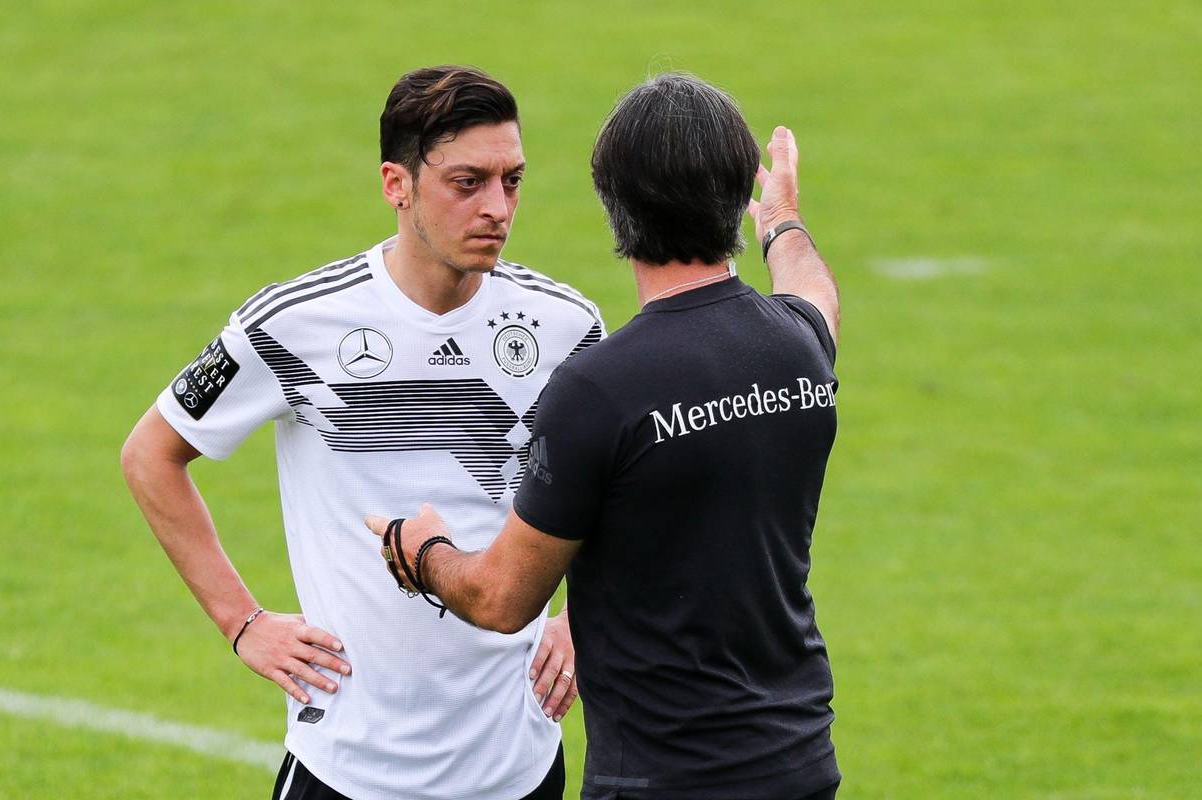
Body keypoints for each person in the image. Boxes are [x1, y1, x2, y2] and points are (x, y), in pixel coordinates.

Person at [121, 65, 605, 800]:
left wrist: (581, 618)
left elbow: (623, 487)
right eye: (467, 182)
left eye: (513, 180)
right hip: (348, 767)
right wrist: (242, 621)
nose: (498, 208)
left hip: (518, 765)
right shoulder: (293, 325)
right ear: (396, 184)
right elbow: (152, 454)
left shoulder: (568, 329)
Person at [367, 73, 843, 800]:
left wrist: (421, 550)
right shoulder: (799, 346)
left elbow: (500, 598)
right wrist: (780, 218)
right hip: (799, 760)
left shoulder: (600, 391)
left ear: (615, 207)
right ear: (730, 201)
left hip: (663, 780)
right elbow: (815, 290)